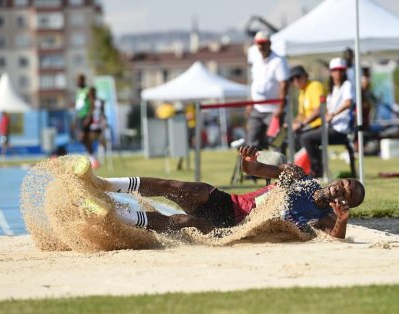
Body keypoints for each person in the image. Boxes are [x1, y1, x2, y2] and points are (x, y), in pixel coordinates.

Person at [75, 145, 365, 239]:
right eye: (346, 182)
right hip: (230, 204)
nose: (342, 187)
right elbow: (253, 172)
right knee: (183, 187)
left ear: (343, 202)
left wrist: (342, 219)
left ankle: (113, 213)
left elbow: (336, 237)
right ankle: (106, 184)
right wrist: (247, 160)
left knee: (184, 222)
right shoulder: (297, 175)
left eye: (347, 193)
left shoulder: (325, 217)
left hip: (236, 228)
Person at [298, 58, 355, 178]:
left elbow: (348, 102)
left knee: (306, 138)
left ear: (344, 72)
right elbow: (326, 108)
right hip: (331, 127)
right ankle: (318, 169)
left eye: (340, 70)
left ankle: (316, 171)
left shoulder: (347, 85)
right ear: (331, 72)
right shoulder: (333, 89)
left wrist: (332, 114)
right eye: (335, 70)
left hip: (340, 129)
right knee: (307, 136)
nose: (338, 73)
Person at [247, 30, 290, 150]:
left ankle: (280, 168)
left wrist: (280, 108)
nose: (261, 46)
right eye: (258, 43)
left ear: (269, 43)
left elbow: (284, 84)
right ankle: (256, 168)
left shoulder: (278, 61)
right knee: (252, 143)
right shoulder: (256, 61)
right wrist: (250, 103)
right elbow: (254, 83)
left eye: (263, 43)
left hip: (274, 110)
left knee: (277, 143)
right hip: (258, 109)